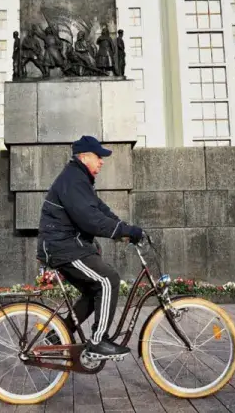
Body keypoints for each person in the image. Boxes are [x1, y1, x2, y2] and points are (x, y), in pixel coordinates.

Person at [36, 135, 145, 359]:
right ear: (84, 157)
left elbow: (100, 210)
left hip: (68, 245)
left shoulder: (79, 180)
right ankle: (98, 342)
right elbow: (90, 220)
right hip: (63, 247)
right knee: (108, 280)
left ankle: (56, 338)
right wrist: (124, 232)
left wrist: (125, 229)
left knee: (93, 290)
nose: (102, 161)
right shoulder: (73, 180)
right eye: (99, 157)